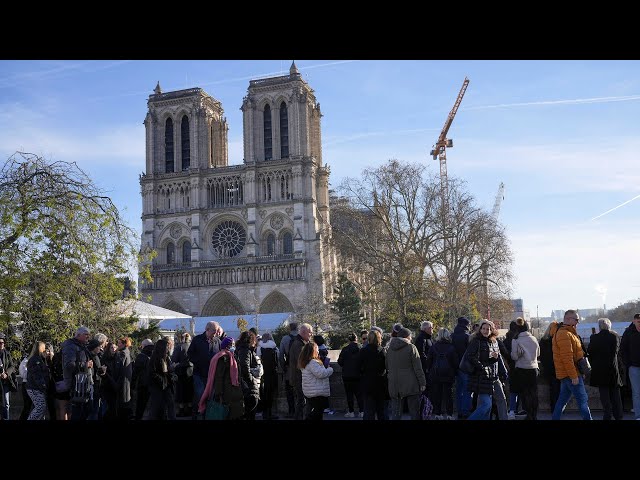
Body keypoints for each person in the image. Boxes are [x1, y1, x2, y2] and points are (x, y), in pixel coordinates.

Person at [551, 310, 592, 420]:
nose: (578, 322)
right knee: (583, 400)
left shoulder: (566, 333)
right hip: (570, 374)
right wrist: (574, 375)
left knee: (562, 401)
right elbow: (567, 358)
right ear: (568, 319)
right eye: (576, 319)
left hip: (568, 373)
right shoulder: (564, 334)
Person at [465, 320, 508, 420]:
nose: (485, 331)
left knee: (501, 399)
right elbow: (470, 357)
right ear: (480, 329)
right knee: (486, 405)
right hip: (482, 377)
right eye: (483, 329)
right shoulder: (476, 341)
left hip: (494, 376)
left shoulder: (495, 341)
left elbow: (498, 359)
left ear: (491, 330)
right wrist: (482, 367)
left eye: (488, 329)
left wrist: (503, 371)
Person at [198, 336, 245, 420]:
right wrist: (218, 393)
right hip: (226, 392)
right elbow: (219, 377)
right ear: (226, 345)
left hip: (233, 391)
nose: (233, 346)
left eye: (233, 344)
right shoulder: (222, 358)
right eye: (231, 344)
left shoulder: (232, 357)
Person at [385, 327, 426, 420]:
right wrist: (422, 382)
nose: (411, 338)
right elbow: (418, 367)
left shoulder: (390, 349)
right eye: (410, 336)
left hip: (394, 384)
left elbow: (387, 366)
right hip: (410, 384)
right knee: (414, 412)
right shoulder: (411, 347)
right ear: (407, 337)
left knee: (396, 413)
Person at [589, 317, 623, 420]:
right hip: (613, 370)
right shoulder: (615, 336)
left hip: (600, 371)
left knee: (605, 397)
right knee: (616, 396)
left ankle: (607, 416)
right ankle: (618, 416)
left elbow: (590, 353)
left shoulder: (594, 338)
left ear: (599, 327)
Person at [187, 321, 221, 420]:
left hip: (212, 374)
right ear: (207, 329)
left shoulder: (217, 341)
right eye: (214, 331)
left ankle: (205, 416)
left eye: (216, 331)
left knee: (210, 396)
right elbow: (190, 354)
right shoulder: (197, 340)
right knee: (200, 394)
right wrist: (199, 361)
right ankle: (195, 415)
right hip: (199, 373)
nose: (215, 333)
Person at [61, 326, 94, 421]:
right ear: (78, 335)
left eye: (89, 335)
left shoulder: (82, 345)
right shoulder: (70, 346)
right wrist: (85, 364)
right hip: (77, 384)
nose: (88, 337)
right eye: (86, 335)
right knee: (78, 411)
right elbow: (68, 365)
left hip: (85, 383)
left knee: (88, 409)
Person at [425, 327, 458, 420]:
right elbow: (455, 362)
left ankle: (437, 414)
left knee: (437, 394)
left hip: (435, 373)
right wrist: (455, 372)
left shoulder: (433, 347)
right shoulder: (451, 347)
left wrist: (429, 370)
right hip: (448, 374)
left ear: (438, 335)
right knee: (448, 394)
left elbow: (429, 361)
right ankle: (449, 414)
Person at [510, 318, 540, 420]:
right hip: (534, 368)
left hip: (522, 369)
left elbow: (514, 357)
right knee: (533, 393)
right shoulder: (534, 339)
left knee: (525, 393)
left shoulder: (516, 340)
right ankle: (534, 415)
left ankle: (528, 415)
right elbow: (538, 354)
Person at [357, 329, 388, 420]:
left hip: (367, 383)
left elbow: (358, 367)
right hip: (380, 383)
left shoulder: (363, 351)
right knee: (381, 411)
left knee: (368, 411)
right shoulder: (382, 351)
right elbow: (386, 366)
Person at [299, 341, 333, 420]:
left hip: (311, 391)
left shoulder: (305, 362)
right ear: (313, 351)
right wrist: (329, 369)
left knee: (315, 413)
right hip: (317, 393)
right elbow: (321, 374)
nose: (318, 351)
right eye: (317, 349)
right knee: (317, 414)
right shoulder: (312, 362)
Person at [147, 338, 177, 420]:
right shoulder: (154, 359)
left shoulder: (166, 357)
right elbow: (152, 374)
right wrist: (163, 380)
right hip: (158, 388)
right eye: (167, 346)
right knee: (157, 409)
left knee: (169, 406)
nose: (168, 348)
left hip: (166, 387)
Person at [236, 330, 261, 420]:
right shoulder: (245, 350)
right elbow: (244, 368)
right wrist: (252, 382)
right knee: (250, 413)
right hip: (249, 388)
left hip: (247, 387)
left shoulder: (242, 349)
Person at [289, 323, 313, 420]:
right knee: (301, 401)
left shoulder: (299, 342)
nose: (311, 334)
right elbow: (302, 362)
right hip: (299, 377)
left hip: (299, 377)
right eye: (310, 332)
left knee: (301, 401)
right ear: (304, 332)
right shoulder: (298, 344)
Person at [338, 333, 363, 418]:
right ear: (356, 339)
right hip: (358, 375)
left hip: (347, 375)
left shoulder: (345, 349)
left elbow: (340, 362)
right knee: (359, 394)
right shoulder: (361, 348)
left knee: (349, 394)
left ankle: (351, 411)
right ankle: (362, 411)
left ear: (349, 340)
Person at [620, 313, 640, 420]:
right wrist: (628, 363)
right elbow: (622, 350)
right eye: (638, 322)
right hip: (634, 367)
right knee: (636, 392)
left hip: (633, 366)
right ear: (634, 321)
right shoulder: (628, 332)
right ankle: (638, 415)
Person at [451, 316, 472, 419]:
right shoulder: (467, 337)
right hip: (465, 366)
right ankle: (465, 411)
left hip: (454, 366)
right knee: (467, 390)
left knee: (459, 390)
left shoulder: (452, 336)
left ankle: (459, 411)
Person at [257, 332, 279, 420]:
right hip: (272, 373)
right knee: (271, 393)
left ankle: (264, 413)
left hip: (263, 374)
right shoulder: (275, 348)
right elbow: (278, 360)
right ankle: (270, 412)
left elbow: (258, 360)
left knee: (264, 393)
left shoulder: (259, 348)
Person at [278, 321, 298, 418]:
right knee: (300, 392)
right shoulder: (302, 338)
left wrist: (283, 367)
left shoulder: (285, 339)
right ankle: (300, 411)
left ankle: (291, 411)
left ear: (289, 329)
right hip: (301, 369)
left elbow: (281, 355)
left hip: (289, 369)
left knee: (289, 392)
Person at [25, 341, 49, 420]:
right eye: (44, 347)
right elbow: (37, 375)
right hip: (34, 388)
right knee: (40, 407)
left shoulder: (38, 359)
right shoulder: (35, 360)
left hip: (35, 387)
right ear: (40, 348)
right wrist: (43, 385)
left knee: (39, 408)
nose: (45, 350)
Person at [172, 332, 194, 417]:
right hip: (191, 370)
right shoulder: (192, 346)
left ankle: (181, 410)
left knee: (181, 391)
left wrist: (177, 364)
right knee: (190, 390)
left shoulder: (179, 347)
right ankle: (189, 409)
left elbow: (174, 359)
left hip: (181, 371)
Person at [133, 339, 154, 420]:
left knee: (141, 404)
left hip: (143, 384)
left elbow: (136, 371)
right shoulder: (156, 354)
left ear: (144, 346)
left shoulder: (141, 356)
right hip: (154, 383)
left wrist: (133, 383)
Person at [0, 333, 17, 420]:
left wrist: (6, 373)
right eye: (0, 343)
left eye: (2, 342)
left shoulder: (7, 353)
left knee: (6, 403)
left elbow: (12, 366)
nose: (1, 344)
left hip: (5, 382)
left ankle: (6, 419)